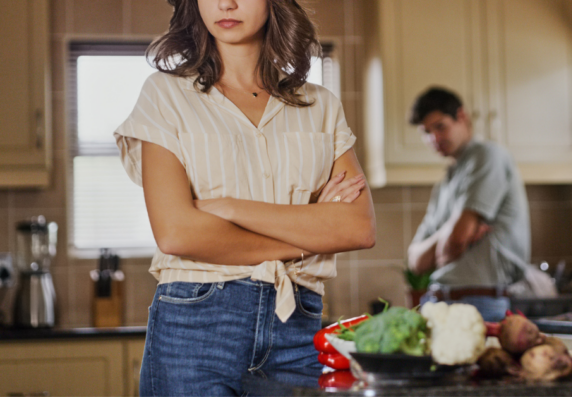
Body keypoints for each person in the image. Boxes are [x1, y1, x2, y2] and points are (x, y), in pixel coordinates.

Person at [113, 0, 376, 395]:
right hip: (195, 327)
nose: (226, 3)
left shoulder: (321, 105)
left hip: (298, 325)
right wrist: (309, 237)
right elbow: (177, 234)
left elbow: (357, 228)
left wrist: (232, 208)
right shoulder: (164, 95)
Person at [406, 87, 532, 322]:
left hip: (480, 304)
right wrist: (449, 233)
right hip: (438, 303)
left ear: (462, 117)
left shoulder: (487, 156)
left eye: (440, 126)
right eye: (426, 132)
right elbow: (415, 261)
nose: (434, 138)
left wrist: (453, 239)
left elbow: (456, 241)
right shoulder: (444, 183)